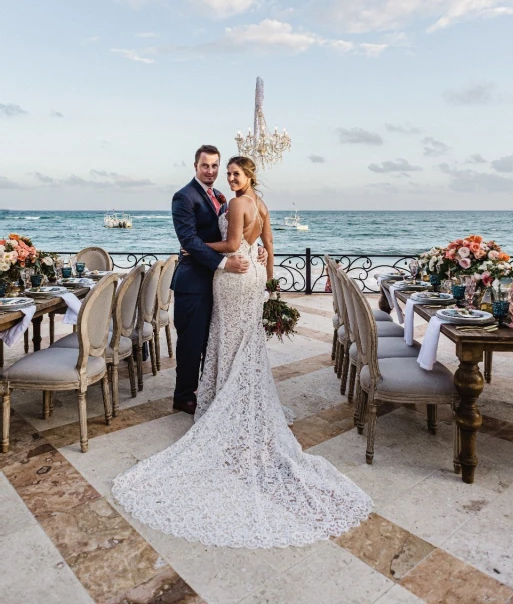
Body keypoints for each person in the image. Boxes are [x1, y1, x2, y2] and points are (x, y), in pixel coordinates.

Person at [112, 156, 372, 548]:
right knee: (239, 342)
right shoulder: (254, 203)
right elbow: (266, 243)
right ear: (200, 167)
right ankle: (221, 394)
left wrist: (195, 250)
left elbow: (233, 243)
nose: (226, 175)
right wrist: (268, 281)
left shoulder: (232, 201)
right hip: (245, 277)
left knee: (227, 339)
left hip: (232, 277)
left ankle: (221, 399)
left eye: (233, 171)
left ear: (248, 175)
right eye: (220, 169)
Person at [169, 144, 266, 414]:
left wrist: (255, 247)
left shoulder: (222, 197)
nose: (210, 171)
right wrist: (226, 261)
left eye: (214, 166)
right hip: (193, 283)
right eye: (205, 166)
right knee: (191, 342)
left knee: (212, 340)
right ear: (195, 166)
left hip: (220, 283)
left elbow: (233, 234)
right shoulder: (184, 197)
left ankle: (210, 388)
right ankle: (184, 396)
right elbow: (188, 240)